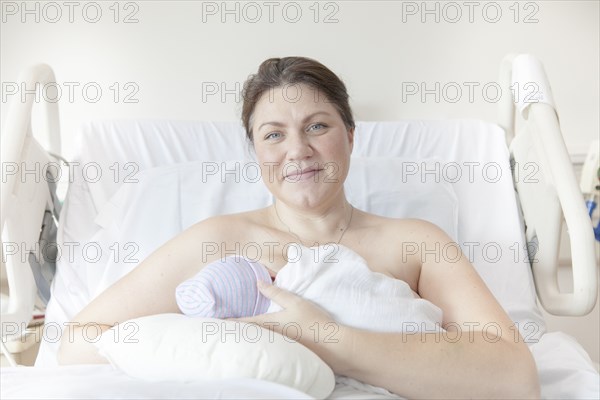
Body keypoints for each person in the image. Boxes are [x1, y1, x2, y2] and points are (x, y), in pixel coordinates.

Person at [58, 56, 540, 399]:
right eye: (273, 134)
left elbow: (513, 377)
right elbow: (80, 341)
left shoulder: (415, 243)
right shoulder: (221, 244)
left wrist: (325, 338)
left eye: (317, 126)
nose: (297, 150)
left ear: (350, 136)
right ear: (255, 152)